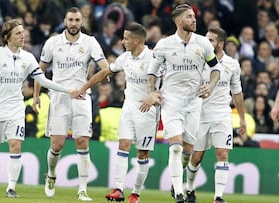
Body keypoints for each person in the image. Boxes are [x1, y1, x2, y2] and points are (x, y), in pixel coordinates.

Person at [0, 19, 80, 198]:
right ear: (7, 38)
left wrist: (69, 90)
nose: (23, 36)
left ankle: (11, 188)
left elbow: (43, 80)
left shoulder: (27, 58)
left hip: (16, 109)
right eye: (18, 33)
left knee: (15, 146)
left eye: (23, 32)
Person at [140, 4, 221, 203]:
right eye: (189, 17)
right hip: (171, 101)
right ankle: (178, 192)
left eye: (194, 16)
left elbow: (216, 69)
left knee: (187, 150)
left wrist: (210, 86)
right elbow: (151, 72)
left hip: (194, 103)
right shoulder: (164, 45)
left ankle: (176, 180)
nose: (194, 20)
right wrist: (151, 92)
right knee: (175, 147)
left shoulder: (202, 43)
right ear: (178, 21)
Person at [76, 22, 159, 203]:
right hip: (129, 107)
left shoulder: (154, 58)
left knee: (143, 154)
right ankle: (119, 189)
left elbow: (169, 84)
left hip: (148, 111)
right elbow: (106, 71)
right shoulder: (125, 57)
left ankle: (136, 193)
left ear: (137, 41)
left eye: (126, 38)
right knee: (123, 145)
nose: (122, 41)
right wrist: (84, 87)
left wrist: (155, 96)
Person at [36, 7, 110, 201]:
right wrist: (36, 96)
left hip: (81, 98)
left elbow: (105, 67)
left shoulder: (90, 42)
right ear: (65, 21)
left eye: (77, 20)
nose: (74, 24)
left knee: (82, 141)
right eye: (71, 20)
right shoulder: (53, 42)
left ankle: (82, 190)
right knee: (57, 145)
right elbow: (39, 71)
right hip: (59, 98)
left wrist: (103, 75)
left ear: (82, 22)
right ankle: (51, 175)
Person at [184, 27, 246, 203]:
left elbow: (237, 93)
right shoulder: (198, 61)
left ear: (220, 43)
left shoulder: (232, 64)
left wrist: (241, 118)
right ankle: (190, 189)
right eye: (206, 39)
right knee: (196, 158)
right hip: (200, 115)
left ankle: (218, 197)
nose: (207, 43)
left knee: (222, 154)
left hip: (222, 115)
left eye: (211, 40)